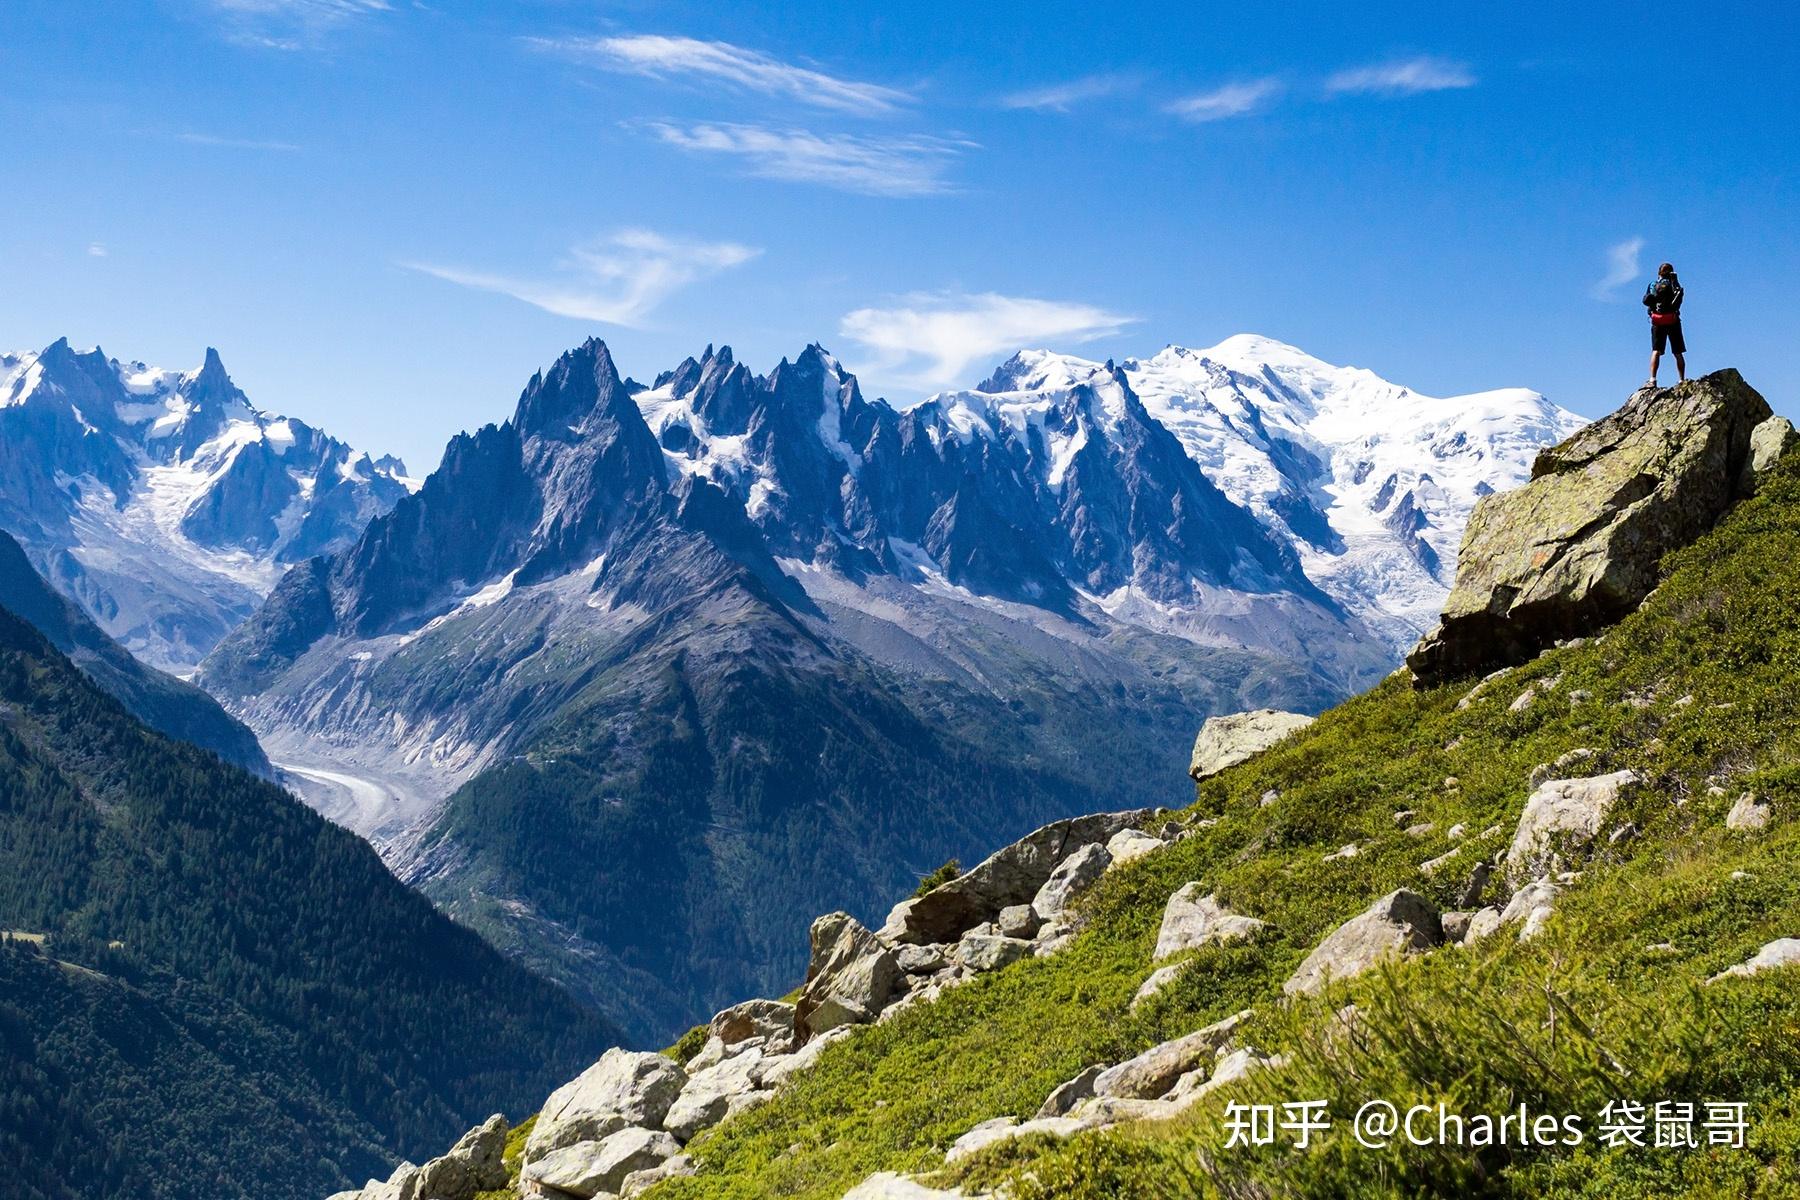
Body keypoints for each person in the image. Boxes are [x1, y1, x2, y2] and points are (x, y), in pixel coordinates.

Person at [1643, 262, 1685, 386]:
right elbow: (1679, 299)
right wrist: (1675, 280)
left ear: (1659, 273)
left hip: (1657, 320)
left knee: (1656, 350)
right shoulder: (1673, 284)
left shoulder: (1652, 284)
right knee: (1678, 352)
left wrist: (1651, 313)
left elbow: (1647, 300)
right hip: (1672, 320)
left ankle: (1652, 379)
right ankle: (1682, 380)